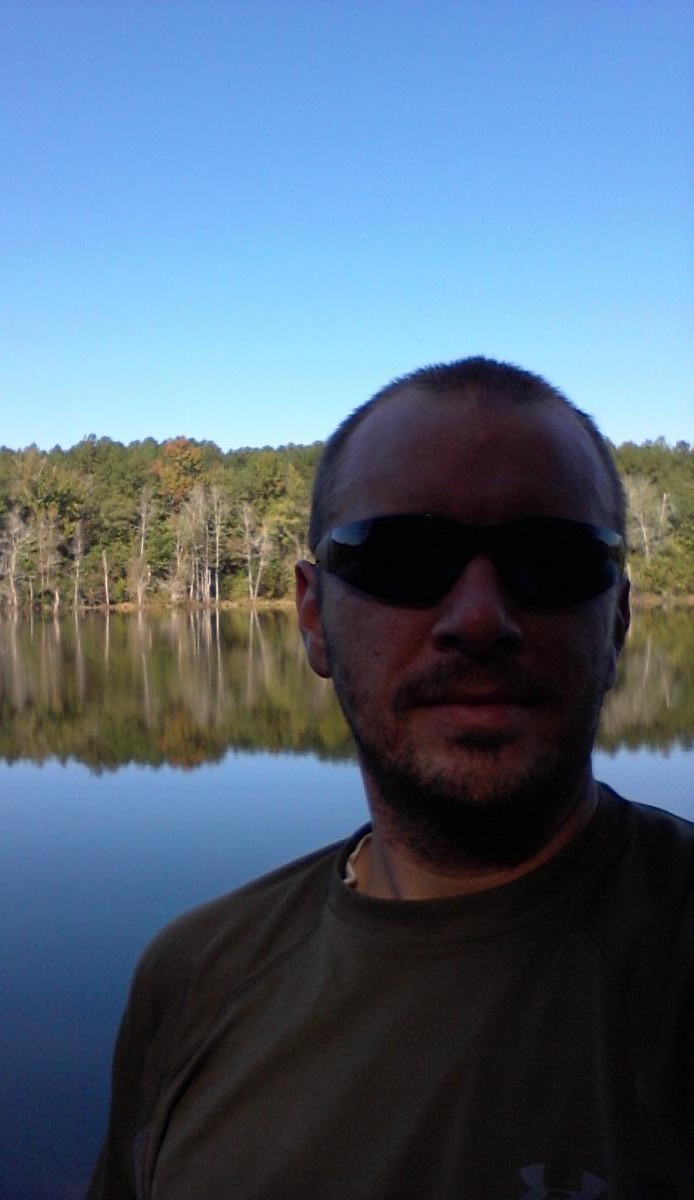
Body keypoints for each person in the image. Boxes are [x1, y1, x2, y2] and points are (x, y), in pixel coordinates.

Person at [88, 357, 693, 1200]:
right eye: (405, 559)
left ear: (618, 617)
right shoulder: (195, 980)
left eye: (551, 560)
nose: (478, 619)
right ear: (313, 619)